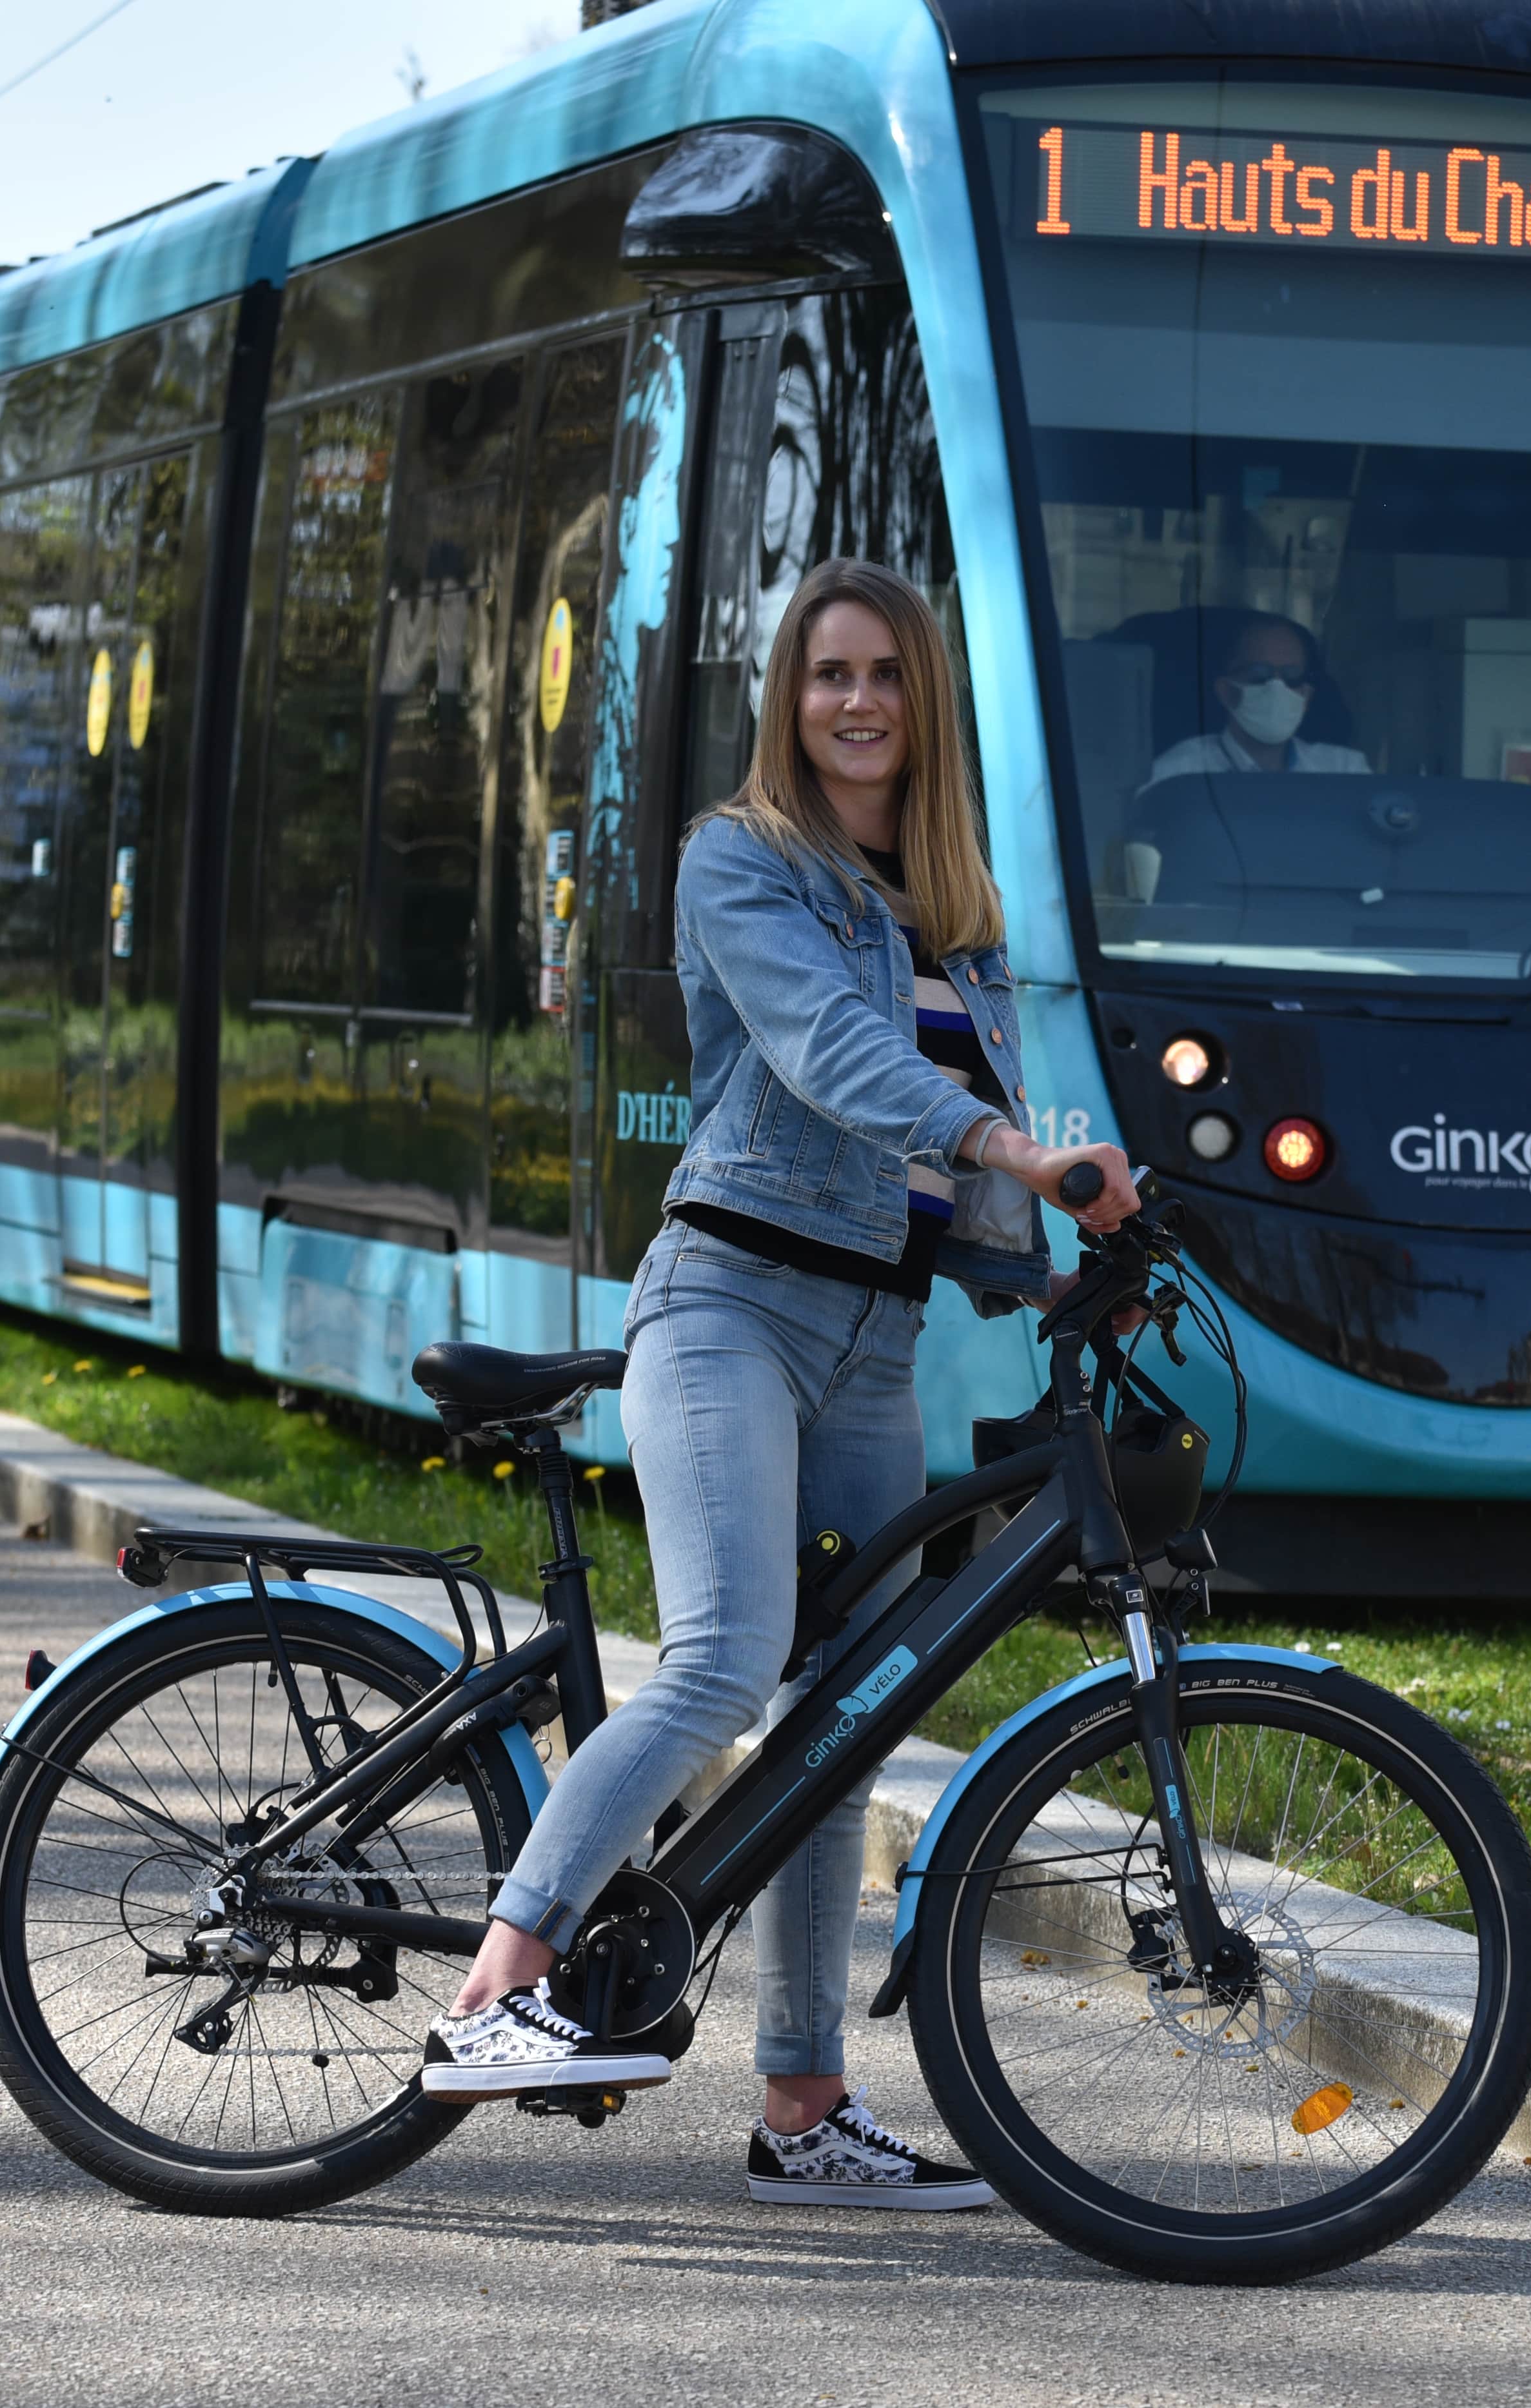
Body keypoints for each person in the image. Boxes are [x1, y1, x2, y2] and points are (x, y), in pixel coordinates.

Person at [419, 557, 1140, 2209]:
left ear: (923, 700)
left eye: (885, 673)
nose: (858, 701)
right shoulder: (740, 862)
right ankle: (497, 1990)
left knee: (849, 1716)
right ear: (789, 699)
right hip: (730, 1306)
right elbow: (832, 1055)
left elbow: (973, 1164)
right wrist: (1016, 1148)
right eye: (828, 673)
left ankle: (805, 2104)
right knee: (731, 1658)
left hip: (873, 1342)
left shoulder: (957, 914)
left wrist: (1089, 1220)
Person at [1143, 612, 1370, 782]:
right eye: (1260, 675)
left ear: (1306, 698)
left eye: (1291, 678)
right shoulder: (1179, 773)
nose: (1277, 688)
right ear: (1227, 692)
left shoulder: (1344, 770)